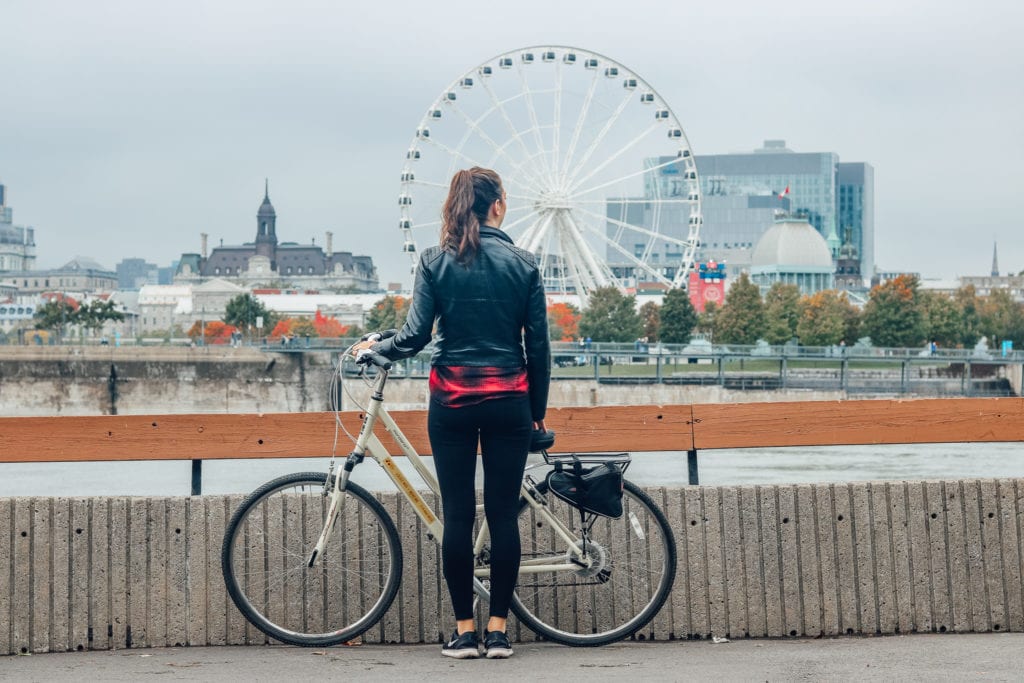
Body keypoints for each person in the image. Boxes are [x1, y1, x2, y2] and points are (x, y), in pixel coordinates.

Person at [355, 167, 550, 660]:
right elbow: (540, 349)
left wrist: (380, 346)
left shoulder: (433, 261)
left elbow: (416, 336)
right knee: (504, 516)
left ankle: (465, 632)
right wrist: (536, 414)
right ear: (498, 206)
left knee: (458, 516)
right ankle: (500, 631)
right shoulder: (525, 264)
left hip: (452, 403)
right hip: (509, 400)